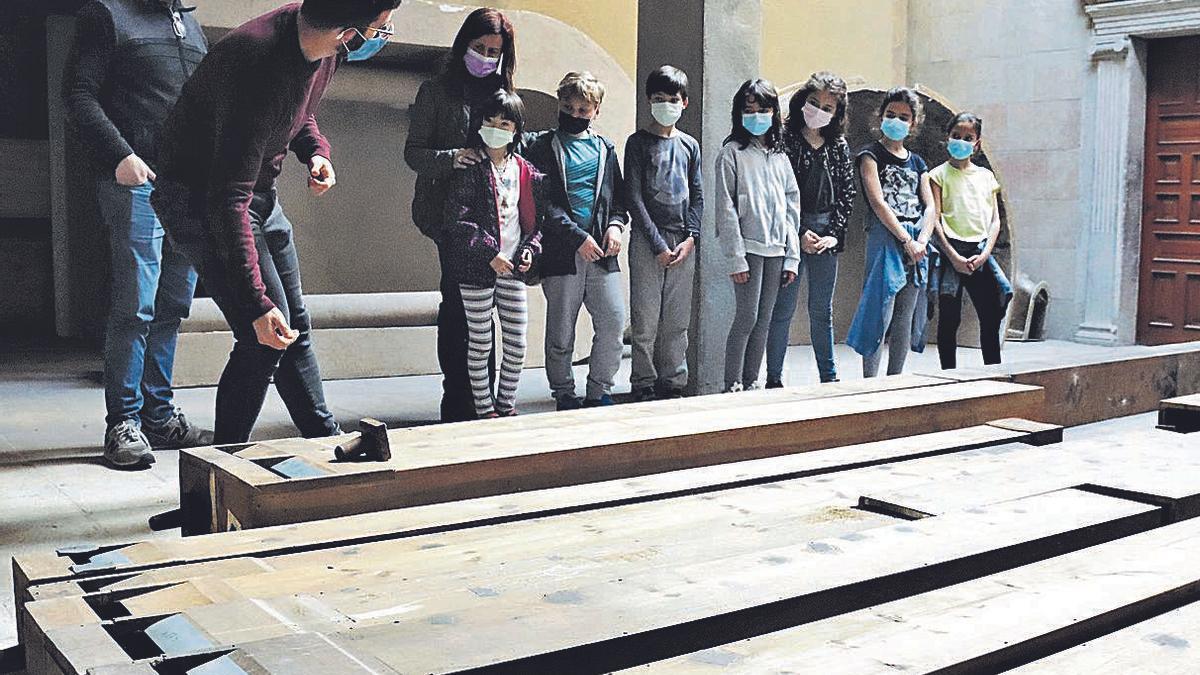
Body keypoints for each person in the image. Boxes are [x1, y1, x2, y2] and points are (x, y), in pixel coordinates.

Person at [150, 0, 402, 444]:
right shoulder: (257, 63)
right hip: (198, 199)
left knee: (292, 327)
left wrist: (316, 151)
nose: (383, 35)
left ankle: (326, 444)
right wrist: (255, 303)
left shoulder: (320, 41)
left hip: (252, 193)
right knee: (264, 335)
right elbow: (228, 200)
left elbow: (299, 111)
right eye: (381, 29)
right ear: (350, 32)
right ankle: (220, 471)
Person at [63, 0, 212, 467]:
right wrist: (119, 154)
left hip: (187, 188)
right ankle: (122, 424)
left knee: (172, 305)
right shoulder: (107, 15)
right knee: (136, 305)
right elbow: (78, 94)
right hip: (136, 182)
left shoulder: (189, 21)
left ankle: (159, 416)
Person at [405, 8, 516, 422]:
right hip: (449, 217)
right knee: (458, 305)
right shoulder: (436, 91)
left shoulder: (502, 91)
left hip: (495, 218)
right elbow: (413, 154)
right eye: (479, 48)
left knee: (488, 310)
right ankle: (458, 400)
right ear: (463, 45)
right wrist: (454, 158)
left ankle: (484, 401)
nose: (486, 57)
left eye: (494, 51)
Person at [524, 71, 630, 410]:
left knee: (613, 321)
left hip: (602, 253)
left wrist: (615, 226)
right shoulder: (542, 146)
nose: (575, 114)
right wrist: (577, 237)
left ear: (596, 111)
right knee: (561, 332)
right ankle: (564, 393)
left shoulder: (605, 149)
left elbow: (618, 200)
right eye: (568, 107)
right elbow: (544, 203)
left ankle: (599, 390)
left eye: (583, 110)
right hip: (561, 253)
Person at [442, 91, 545, 418]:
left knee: (517, 345)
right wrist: (489, 252)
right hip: (476, 271)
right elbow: (457, 219)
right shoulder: (469, 166)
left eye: (505, 123)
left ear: (516, 130)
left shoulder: (525, 170)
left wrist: (529, 250)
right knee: (480, 344)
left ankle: (507, 405)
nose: (496, 128)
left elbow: (537, 221)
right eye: (490, 122)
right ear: (479, 124)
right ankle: (485, 411)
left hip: (514, 268)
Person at [765, 72, 856, 387]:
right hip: (792, 233)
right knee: (783, 310)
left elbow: (847, 193)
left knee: (821, 310)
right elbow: (778, 193)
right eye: (814, 103)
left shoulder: (838, 145)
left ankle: (829, 377)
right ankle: (773, 378)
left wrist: (833, 233)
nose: (819, 111)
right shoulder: (784, 138)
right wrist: (798, 232)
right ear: (802, 100)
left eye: (828, 108)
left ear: (837, 113)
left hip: (826, 236)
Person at [714, 78, 801, 393]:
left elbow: (792, 206)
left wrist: (792, 255)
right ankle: (732, 383)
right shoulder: (731, 153)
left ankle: (751, 382)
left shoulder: (780, 156)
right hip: (748, 249)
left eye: (763, 109)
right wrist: (736, 257)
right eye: (749, 110)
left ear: (773, 112)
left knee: (765, 319)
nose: (756, 116)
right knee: (746, 317)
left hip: (776, 249)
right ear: (739, 113)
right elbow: (725, 209)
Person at [624, 65, 703, 402]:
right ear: (649, 101)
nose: (666, 104)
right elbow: (634, 197)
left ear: (684, 102)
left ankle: (672, 381)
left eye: (673, 99)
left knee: (676, 321)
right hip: (648, 241)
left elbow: (697, 195)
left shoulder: (690, 146)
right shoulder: (638, 143)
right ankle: (643, 381)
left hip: (683, 243)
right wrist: (656, 244)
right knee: (645, 321)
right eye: (659, 99)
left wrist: (691, 238)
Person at [846, 87, 937, 377]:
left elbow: (930, 206)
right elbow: (878, 202)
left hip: (917, 241)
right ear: (881, 116)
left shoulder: (918, 162)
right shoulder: (870, 155)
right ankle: (870, 383)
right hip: (887, 237)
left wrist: (921, 240)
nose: (897, 121)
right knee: (879, 311)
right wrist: (906, 240)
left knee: (904, 316)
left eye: (904, 117)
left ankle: (895, 380)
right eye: (891, 115)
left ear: (913, 123)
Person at [930, 111, 1013, 369]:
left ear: (977, 143)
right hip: (951, 254)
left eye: (968, 137)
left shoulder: (986, 177)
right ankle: (948, 376)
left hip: (979, 253)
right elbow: (935, 219)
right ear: (947, 138)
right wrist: (953, 257)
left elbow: (995, 220)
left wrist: (986, 253)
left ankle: (993, 373)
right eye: (956, 136)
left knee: (990, 317)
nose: (961, 142)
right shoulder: (938, 175)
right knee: (949, 320)